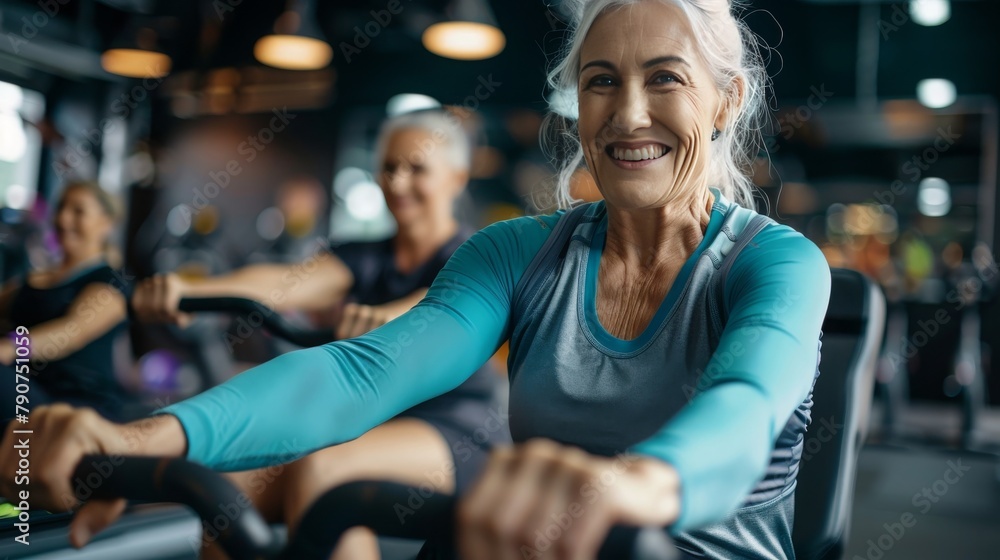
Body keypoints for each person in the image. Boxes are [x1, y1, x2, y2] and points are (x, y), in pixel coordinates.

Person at [0, 1, 831, 559]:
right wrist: (139, 439)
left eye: (666, 78)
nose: (627, 113)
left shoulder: (774, 263)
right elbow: (360, 372)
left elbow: (745, 408)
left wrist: (631, 484)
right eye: (601, 81)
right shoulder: (519, 253)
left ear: (727, 102)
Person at [130, 109, 507, 559]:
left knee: (328, 474)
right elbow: (281, 281)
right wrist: (189, 289)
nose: (398, 182)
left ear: (457, 177)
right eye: (389, 167)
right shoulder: (364, 256)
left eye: (416, 168)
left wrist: (387, 316)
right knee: (225, 489)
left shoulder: (477, 260)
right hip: (363, 424)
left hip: (456, 432)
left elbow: (436, 307)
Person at [0, 181, 131, 421]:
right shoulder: (36, 277)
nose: (63, 219)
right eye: (61, 208)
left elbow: (68, 334)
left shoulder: (110, 283)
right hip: (26, 389)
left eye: (78, 211)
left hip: (75, 403)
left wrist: (10, 347)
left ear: (106, 223)